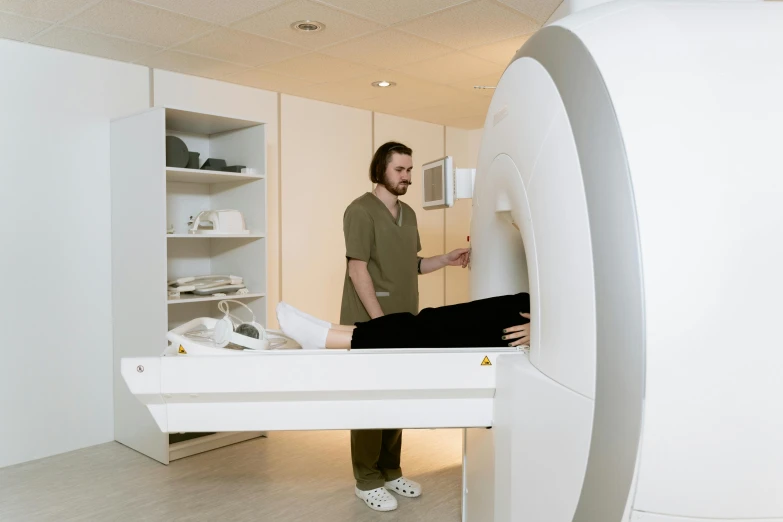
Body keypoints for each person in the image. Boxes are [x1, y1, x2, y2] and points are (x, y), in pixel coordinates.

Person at [332, 141, 474, 512]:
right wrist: (380, 324)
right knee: (369, 398)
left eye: (410, 170)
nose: (407, 177)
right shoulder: (360, 211)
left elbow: (411, 265)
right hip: (371, 320)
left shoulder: (408, 214)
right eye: (400, 170)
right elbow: (356, 269)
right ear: (380, 169)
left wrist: (445, 259)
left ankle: (391, 471)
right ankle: (366, 480)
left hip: (404, 319)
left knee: (396, 395)